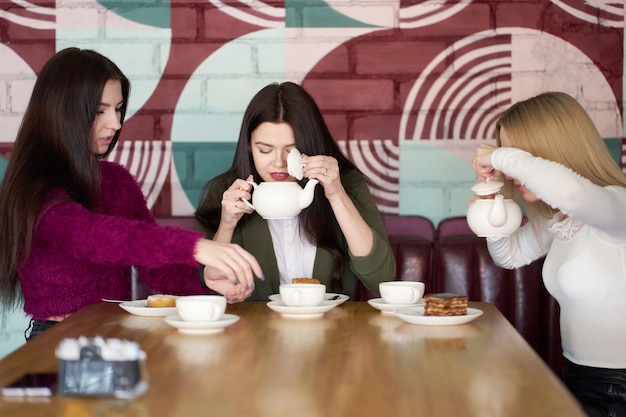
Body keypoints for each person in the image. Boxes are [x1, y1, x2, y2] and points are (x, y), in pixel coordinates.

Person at [0, 48, 262, 340]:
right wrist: (195, 247)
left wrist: (205, 277)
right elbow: (92, 236)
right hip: (57, 340)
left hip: (120, 337)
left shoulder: (117, 181)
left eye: (118, 109)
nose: (115, 123)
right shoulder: (35, 188)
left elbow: (157, 270)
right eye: (100, 111)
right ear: (64, 111)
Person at [471, 91, 626, 417]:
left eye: (517, 154)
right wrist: (490, 197)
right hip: (578, 376)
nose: (512, 169)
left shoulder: (617, 206)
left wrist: (498, 156)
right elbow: (508, 255)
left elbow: (569, 191)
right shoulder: (560, 220)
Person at [195, 81, 395, 301]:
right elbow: (210, 287)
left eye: (291, 151)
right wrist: (228, 223)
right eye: (265, 150)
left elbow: (381, 279)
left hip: (333, 329)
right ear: (249, 147)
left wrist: (337, 195)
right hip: (254, 330)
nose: (279, 163)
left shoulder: (346, 184)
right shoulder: (224, 192)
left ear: (309, 145)